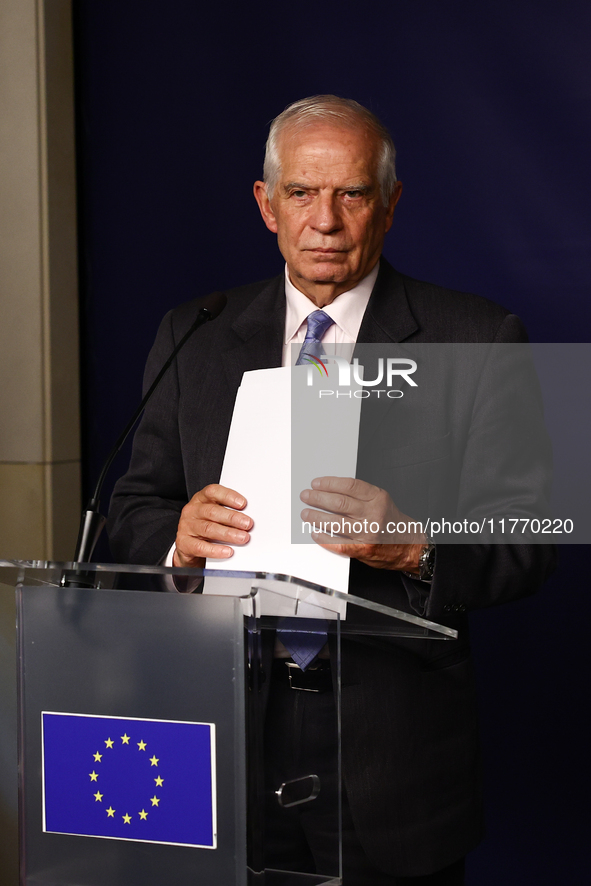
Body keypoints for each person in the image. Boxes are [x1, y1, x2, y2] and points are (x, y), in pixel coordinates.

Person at [108, 96, 556, 884]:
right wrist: (180, 536)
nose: (325, 220)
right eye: (301, 194)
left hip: (391, 748)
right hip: (224, 733)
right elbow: (131, 509)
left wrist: (415, 544)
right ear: (265, 204)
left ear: (388, 204)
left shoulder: (477, 337)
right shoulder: (194, 331)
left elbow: (531, 538)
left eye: (350, 194)